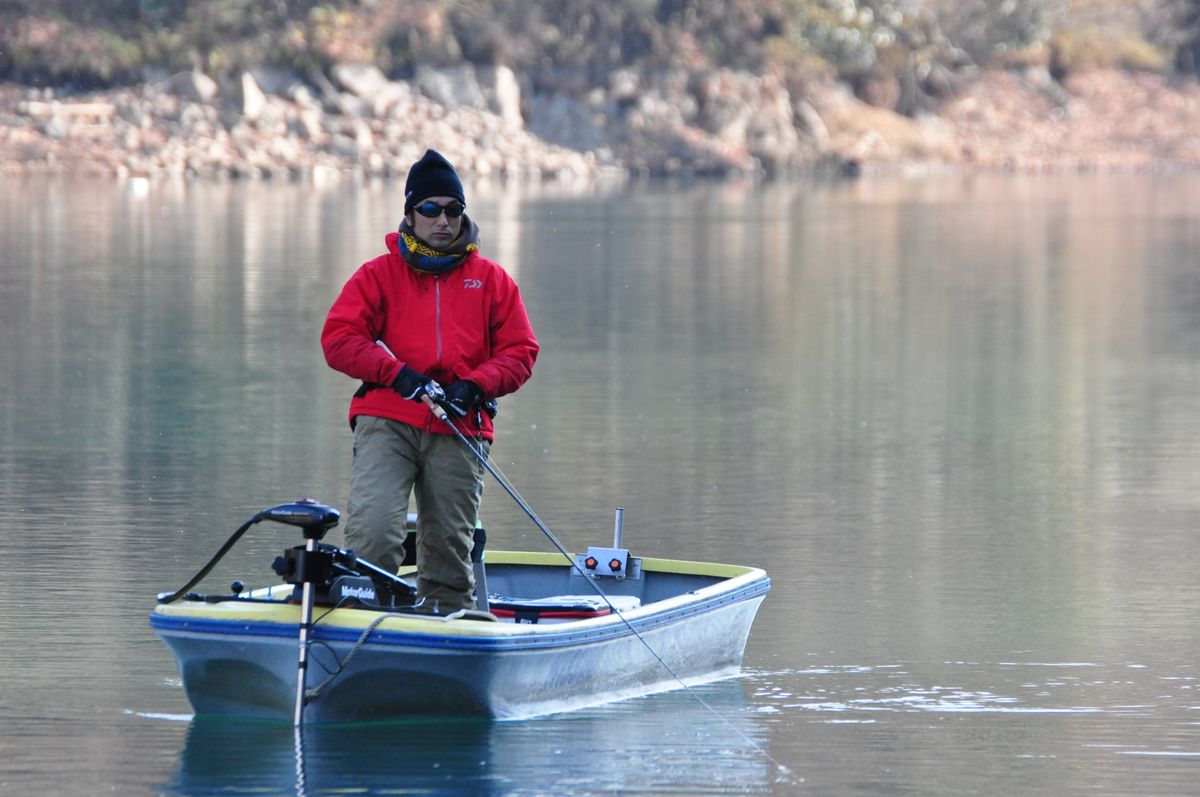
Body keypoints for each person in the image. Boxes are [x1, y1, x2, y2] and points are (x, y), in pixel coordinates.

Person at [321, 149, 539, 612]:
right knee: (374, 531)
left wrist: (474, 387)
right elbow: (338, 339)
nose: (443, 220)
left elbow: (521, 353)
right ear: (410, 215)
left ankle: (444, 623)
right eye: (430, 209)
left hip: (461, 427)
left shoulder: (493, 280)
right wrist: (397, 375)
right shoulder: (377, 276)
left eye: (453, 210)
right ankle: (362, 621)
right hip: (388, 419)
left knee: (446, 552)